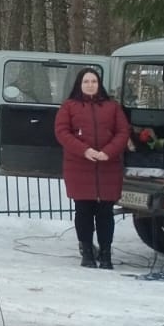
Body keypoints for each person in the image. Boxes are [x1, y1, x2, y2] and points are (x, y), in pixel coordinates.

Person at [54, 68, 129, 270]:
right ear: (80, 84)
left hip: (107, 167)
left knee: (105, 213)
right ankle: (87, 251)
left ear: (99, 84)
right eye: (86, 81)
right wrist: (84, 150)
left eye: (93, 81)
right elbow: (62, 132)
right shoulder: (69, 106)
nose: (90, 85)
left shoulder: (112, 107)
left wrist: (108, 152)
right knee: (83, 211)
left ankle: (105, 253)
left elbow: (123, 132)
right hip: (79, 166)